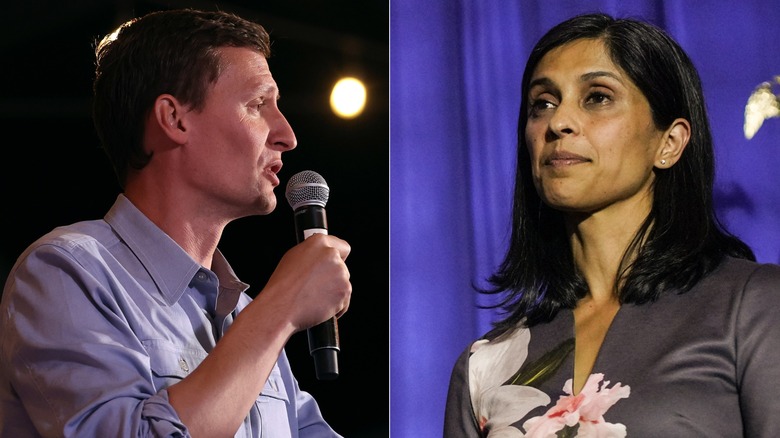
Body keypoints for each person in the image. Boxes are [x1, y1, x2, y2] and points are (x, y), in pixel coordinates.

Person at [0, 8, 352, 437]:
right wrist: (279, 310)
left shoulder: (243, 314)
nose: (287, 134)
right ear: (174, 118)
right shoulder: (66, 272)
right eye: (258, 104)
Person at [443, 12, 780, 437]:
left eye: (597, 97)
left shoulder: (754, 306)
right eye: (542, 104)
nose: (558, 123)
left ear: (669, 142)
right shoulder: (484, 364)